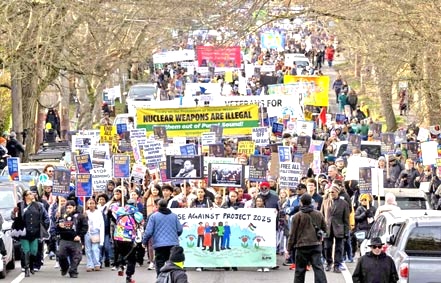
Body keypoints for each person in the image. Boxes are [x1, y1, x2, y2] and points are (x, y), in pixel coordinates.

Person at [287, 194, 327, 283]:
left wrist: (289, 248)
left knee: (300, 270)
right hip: (316, 244)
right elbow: (325, 229)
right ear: (311, 202)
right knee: (318, 268)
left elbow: (292, 234)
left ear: (301, 202)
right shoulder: (318, 214)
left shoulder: (297, 216)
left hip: (301, 246)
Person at [11, 189, 50, 277]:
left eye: (32, 193)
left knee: (34, 251)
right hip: (24, 232)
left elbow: (45, 217)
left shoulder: (39, 205)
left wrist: (44, 228)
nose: (32, 195)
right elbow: (13, 217)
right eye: (29, 194)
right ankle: (26, 268)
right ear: (25, 196)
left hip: (35, 232)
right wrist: (14, 212)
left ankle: (32, 265)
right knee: (26, 251)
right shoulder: (20, 205)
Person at [142, 199, 183, 276]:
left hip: (159, 245)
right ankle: (171, 278)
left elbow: (148, 232)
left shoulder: (153, 216)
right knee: (171, 263)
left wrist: (144, 242)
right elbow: (179, 229)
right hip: (172, 244)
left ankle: (160, 279)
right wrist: (174, 236)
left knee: (160, 263)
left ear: (158, 206)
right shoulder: (174, 216)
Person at [110, 198, 144, 283]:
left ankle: (121, 266)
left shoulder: (120, 211)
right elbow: (141, 222)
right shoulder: (137, 214)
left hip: (117, 237)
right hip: (129, 238)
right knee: (131, 258)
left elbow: (112, 207)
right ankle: (129, 277)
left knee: (121, 252)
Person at [56, 200, 88, 278]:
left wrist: (80, 236)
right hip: (64, 239)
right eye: (67, 208)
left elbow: (85, 227)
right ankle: (65, 267)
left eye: (70, 208)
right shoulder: (62, 216)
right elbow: (57, 227)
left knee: (77, 257)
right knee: (61, 255)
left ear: (74, 207)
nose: (68, 209)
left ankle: (73, 271)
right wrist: (59, 225)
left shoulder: (80, 216)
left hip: (75, 240)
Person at [322, 185, 350, 273]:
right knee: (327, 247)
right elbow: (321, 216)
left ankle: (337, 265)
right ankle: (329, 263)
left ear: (337, 192)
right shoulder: (325, 202)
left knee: (339, 248)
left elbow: (346, 219)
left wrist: (346, 231)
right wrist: (321, 228)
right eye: (330, 192)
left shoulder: (344, 203)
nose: (331, 194)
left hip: (339, 228)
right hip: (327, 228)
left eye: (333, 192)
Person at [85, 198, 105, 272]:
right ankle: (90, 265)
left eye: (92, 203)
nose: (91, 205)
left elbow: (101, 224)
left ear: (95, 204)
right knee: (88, 250)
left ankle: (97, 264)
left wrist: (101, 238)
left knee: (95, 249)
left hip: (96, 232)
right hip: (87, 233)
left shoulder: (98, 212)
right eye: (89, 203)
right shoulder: (86, 213)